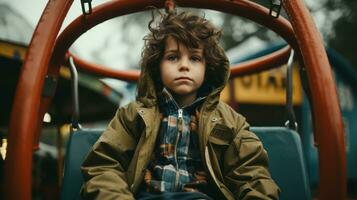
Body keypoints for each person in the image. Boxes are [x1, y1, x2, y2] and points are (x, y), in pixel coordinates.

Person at [80, 9, 280, 200]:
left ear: (207, 67)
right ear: (157, 65)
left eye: (194, 58)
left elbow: (251, 175)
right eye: (173, 57)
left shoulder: (229, 121)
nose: (184, 65)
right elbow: (105, 165)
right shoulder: (134, 114)